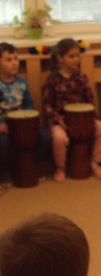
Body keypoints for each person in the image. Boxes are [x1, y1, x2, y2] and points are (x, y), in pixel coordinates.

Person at [42, 38, 101, 182]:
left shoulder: (81, 77)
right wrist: (57, 119)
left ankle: (95, 163)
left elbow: (90, 98)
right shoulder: (52, 79)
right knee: (59, 138)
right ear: (60, 58)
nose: (76, 60)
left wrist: (92, 116)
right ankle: (60, 168)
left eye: (77, 56)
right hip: (62, 121)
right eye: (71, 56)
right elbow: (47, 104)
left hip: (83, 120)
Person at [0, 42, 49, 187]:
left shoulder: (22, 83)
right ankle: (5, 171)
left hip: (23, 124)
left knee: (44, 137)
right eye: (8, 60)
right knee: (3, 144)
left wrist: (29, 122)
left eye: (16, 58)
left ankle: (30, 165)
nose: (14, 63)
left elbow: (29, 104)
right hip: (4, 126)